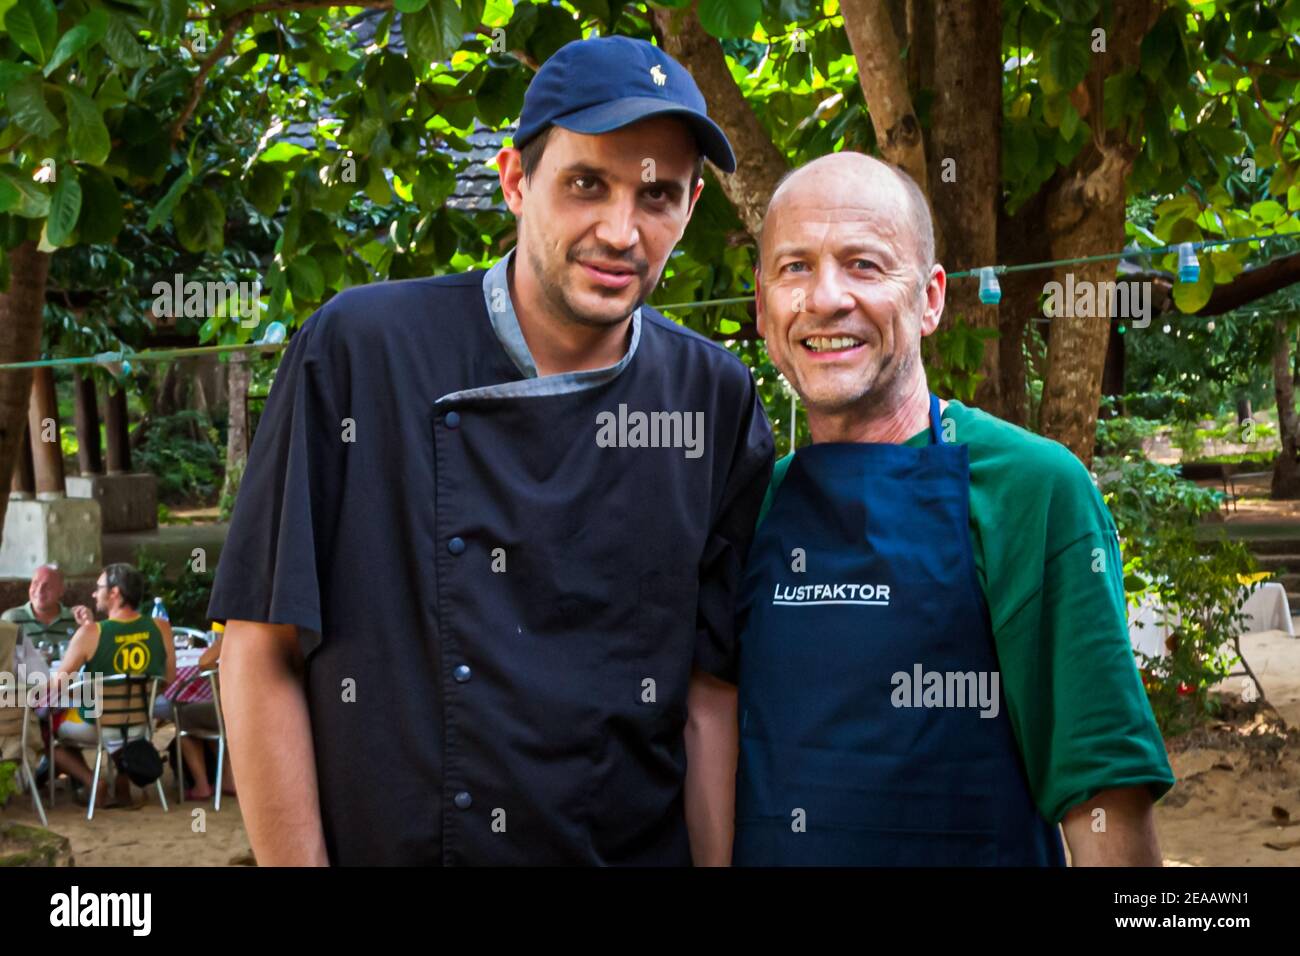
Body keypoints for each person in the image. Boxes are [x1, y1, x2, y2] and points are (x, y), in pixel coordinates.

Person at [209, 36, 774, 865]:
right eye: (588, 184)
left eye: (657, 195)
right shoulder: (362, 349)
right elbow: (258, 649)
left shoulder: (712, 397)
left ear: (689, 207)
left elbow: (706, 693)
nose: (622, 230)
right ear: (515, 181)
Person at [729, 152, 1174, 866]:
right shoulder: (746, 506)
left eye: (865, 265)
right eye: (794, 268)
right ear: (762, 306)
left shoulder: (1032, 490)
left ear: (931, 298)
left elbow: (1103, 802)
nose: (825, 298)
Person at [52, 563, 176, 809]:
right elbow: (169, 679)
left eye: (98, 588)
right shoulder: (161, 627)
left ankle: (93, 781)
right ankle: (122, 776)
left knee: (48, 730)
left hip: (97, 726)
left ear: (115, 593)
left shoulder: (91, 633)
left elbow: (58, 685)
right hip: (140, 725)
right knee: (122, 728)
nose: (93, 594)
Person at [3, 564, 94, 787]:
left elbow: (92, 658)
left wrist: (89, 627)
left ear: (61, 591)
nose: (39, 590)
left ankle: (77, 778)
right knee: (45, 725)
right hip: (23, 703)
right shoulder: (11, 621)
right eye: (34, 584)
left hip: (65, 695)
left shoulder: (74, 619)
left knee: (52, 722)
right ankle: (85, 779)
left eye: (47, 586)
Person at [173, 626, 235, 802]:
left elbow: (205, 662)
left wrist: (218, 680)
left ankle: (202, 785)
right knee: (212, 717)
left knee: (182, 715)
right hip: (254, 709)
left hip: (233, 711)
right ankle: (229, 779)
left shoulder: (237, 630)